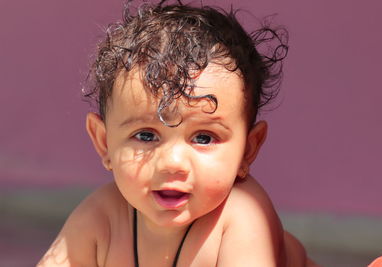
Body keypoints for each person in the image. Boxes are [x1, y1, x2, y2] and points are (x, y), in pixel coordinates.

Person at [38, 0, 312, 266]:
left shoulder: (242, 217)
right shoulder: (102, 218)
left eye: (203, 138)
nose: (173, 163)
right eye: (146, 135)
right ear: (104, 142)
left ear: (248, 149)